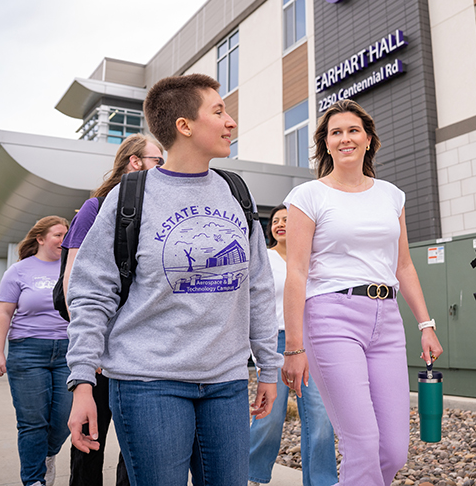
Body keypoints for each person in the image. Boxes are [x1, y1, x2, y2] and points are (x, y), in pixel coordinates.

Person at [65, 73, 281, 486]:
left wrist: (267, 366)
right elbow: (92, 294)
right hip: (148, 384)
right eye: (218, 111)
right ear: (184, 126)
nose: (230, 121)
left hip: (226, 385)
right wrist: (82, 382)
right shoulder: (130, 196)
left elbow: (257, 284)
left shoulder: (237, 192)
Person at [281, 99, 443, 486]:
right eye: (335, 132)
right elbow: (297, 272)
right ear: (326, 143)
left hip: (386, 319)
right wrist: (293, 346)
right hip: (330, 316)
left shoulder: (392, 195)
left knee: (393, 451)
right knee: (363, 442)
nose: (345, 138)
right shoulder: (308, 196)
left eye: (353, 130)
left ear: (368, 139)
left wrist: (426, 323)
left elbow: (403, 266)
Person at [62, 133, 164, 486]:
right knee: (91, 443)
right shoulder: (96, 208)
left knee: (134, 451)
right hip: (102, 352)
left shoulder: (155, 209)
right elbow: (74, 283)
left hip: (138, 350)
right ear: (135, 162)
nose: (163, 167)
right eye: (157, 160)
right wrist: (93, 352)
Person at [248, 205, 338, 486]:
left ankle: (322, 481)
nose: (280, 224)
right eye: (275, 220)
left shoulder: (314, 259)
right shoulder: (264, 258)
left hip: (309, 340)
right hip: (274, 340)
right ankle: (249, 475)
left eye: (287, 219)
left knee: (320, 417)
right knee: (270, 417)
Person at [0, 215, 72, 486]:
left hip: (67, 352)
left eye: (66, 235)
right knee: (33, 422)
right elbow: (3, 313)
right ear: (40, 239)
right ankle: (34, 480)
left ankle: (47, 456)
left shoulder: (72, 267)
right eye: (57, 235)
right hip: (28, 351)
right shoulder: (19, 271)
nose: (63, 240)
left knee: (63, 421)